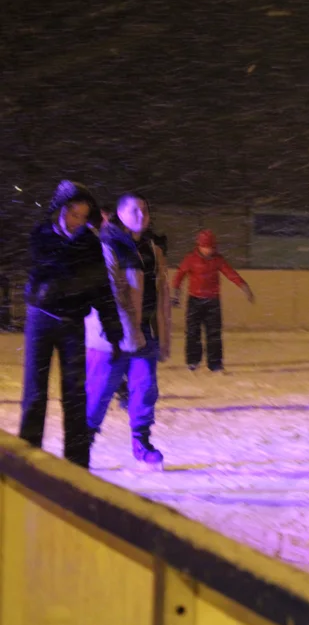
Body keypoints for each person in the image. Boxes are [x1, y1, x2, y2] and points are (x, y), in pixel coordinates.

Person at [20, 181, 123, 468]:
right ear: (60, 210)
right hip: (41, 320)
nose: (77, 222)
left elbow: (102, 289)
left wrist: (114, 333)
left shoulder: (89, 243)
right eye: (73, 214)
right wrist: (77, 267)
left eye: (82, 216)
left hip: (72, 325)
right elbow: (51, 270)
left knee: (75, 396)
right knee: (35, 393)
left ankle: (77, 466)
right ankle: (28, 464)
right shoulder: (41, 236)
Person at [85, 192, 172, 468]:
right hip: (109, 337)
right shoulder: (107, 244)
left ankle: (141, 442)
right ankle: (81, 445)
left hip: (144, 335)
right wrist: (128, 332)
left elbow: (161, 294)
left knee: (145, 389)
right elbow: (113, 291)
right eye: (134, 211)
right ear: (119, 214)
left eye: (145, 211)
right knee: (98, 392)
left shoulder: (152, 249)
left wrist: (161, 333)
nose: (141, 216)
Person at [171, 229, 254, 372]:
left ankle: (215, 363)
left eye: (211, 247)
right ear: (199, 246)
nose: (208, 250)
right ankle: (193, 361)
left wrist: (243, 286)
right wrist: (176, 294)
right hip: (195, 301)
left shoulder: (218, 260)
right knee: (192, 332)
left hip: (212, 302)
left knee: (214, 333)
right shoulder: (190, 259)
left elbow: (231, 274)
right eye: (205, 247)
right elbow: (179, 276)